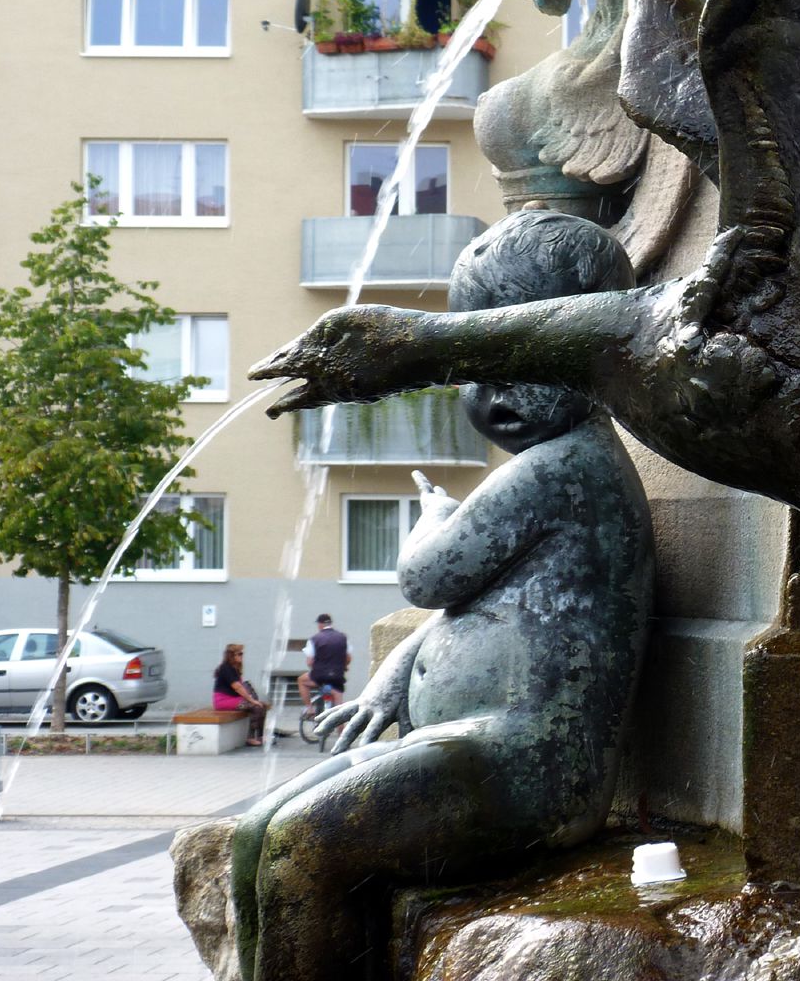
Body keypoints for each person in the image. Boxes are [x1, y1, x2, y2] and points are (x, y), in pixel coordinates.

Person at [229, 211, 655, 981]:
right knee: (255, 833)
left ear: (595, 353)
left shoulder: (565, 467)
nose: (497, 398)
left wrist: (431, 517)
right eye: (480, 366)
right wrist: (396, 678)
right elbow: (477, 613)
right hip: (472, 743)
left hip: (530, 768)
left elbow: (428, 579)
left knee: (306, 847)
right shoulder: (554, 461)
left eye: (527, 361)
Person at [212, 644, 269, 747]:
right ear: (231, 656)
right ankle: (250, 738)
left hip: (234, 699)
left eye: (242, 654)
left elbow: (241, 687)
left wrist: (252, 698)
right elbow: (237, 687)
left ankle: (260, 736)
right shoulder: (226, 668)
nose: (242, 656)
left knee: (262, 705)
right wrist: (252, 700)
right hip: (223, 700)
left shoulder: (234, 668)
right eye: (239, 654)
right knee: (255, 707)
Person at [297, 613, 351, 711]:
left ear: (320, 624)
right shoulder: (343, 638)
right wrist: (345, 666)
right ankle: (341, 725)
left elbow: (309, 662)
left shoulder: (314, 639)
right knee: (339, 709)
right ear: (331, 623)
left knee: (301, 680)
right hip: (337, 676)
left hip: (319, 676)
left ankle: (309, 709)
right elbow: (348, 658)